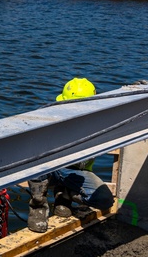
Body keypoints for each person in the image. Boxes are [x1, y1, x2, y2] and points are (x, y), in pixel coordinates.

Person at [48, 78, 115, 217]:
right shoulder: (53, 119)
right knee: (38, 172)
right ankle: (41, 207)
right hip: (54, 168)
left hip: (78, 172)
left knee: (104, 200)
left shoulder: (96, 122)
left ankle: (66, 194)